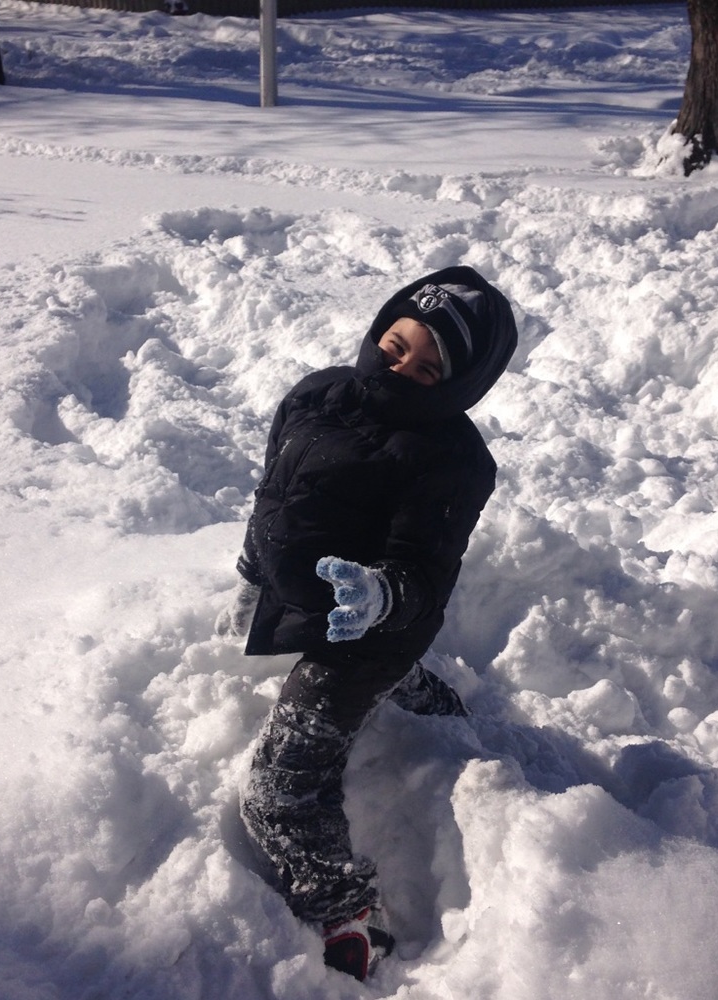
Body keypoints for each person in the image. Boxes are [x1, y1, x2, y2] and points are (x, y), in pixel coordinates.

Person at [217, 265, 518, 981]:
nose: (401, 367)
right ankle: (420, 692)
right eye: (396, 345)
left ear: (458, 386)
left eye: (428, 368)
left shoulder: (455, 462)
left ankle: (346, 910)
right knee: (349, 693)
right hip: (305, 600)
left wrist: (385, 596)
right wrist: (253, 569)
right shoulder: (315, 394)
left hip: (369, 634)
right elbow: (274, 493)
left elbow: (424, 570)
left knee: (280, 788)